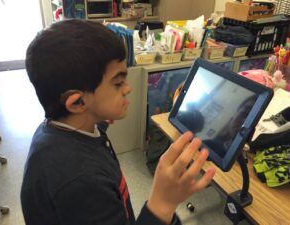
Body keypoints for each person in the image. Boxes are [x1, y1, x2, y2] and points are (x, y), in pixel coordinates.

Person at [20, 19, 216, 225]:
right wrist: (163, 203)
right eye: (118, 82)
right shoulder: (82, 183)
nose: (128, 88)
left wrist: (97, 118)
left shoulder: (62, 126)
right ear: (78, 102)